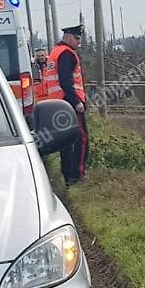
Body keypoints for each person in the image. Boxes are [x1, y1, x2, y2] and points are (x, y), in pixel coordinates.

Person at [39, 24, 90, 186]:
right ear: (67, 37)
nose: (79, 42)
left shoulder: (55, 52)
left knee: (66, 142)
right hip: (69, 102)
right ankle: (77, 176)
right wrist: (77, 102)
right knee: (81, 139)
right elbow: (66, 82)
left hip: (57, 103)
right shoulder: (66, 54)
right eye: (76, 38)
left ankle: (68, 176)